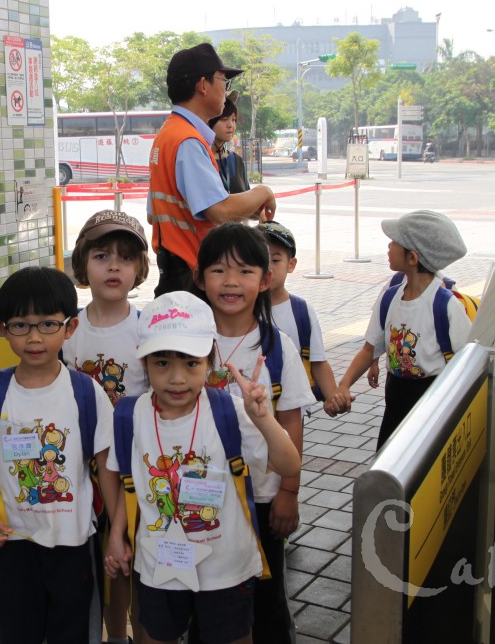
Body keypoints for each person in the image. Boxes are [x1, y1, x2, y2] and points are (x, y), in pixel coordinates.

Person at [103, 291, 301, 644]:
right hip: (158, 562)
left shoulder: (230, 411)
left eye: (191, 363)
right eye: (162, 363)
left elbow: (289, 464)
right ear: (144, 362)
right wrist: (117, 536)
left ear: (210, 360)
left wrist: (264, 418)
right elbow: (130, 484)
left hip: (226, 568)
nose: (177, 378)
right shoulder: (131, 416)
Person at [0, 267, 118, 644]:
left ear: (70, 327)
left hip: (74, 543)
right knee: (19, 632)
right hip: (13, 541)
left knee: (73, 632)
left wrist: (117, 532)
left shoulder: (86, 392)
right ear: (3, 329)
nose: (34, 337)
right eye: (20, 325)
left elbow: (106, 465)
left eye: (47, 324)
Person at [192, 223, 312, 643]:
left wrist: (289, 491)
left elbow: (292, 421)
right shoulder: (186, 345)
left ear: (265, 279)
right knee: (205, 594)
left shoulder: (277, 347)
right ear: (199, 278)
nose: (230, 282)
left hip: (262, 495)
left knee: (266, 599)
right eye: (218, 270)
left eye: (244, 271)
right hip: (201, 496)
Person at [63, 210, 150, 643]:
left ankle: (139, 632)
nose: (114, 267)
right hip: (83, 467)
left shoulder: (147, 329)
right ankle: (114, 635)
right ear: (82, 264)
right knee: (103, 563)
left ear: (139, 269)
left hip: (134, 467)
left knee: (134, 563)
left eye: (125, 257)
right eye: (101, 256)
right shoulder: (67, 329)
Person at [149, 42, 279, 296]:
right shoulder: (187, 141)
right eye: (223, 81)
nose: (225, 90)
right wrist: (263, 192)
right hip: (191, 273)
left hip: (177, 269)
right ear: (203, 85)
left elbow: (158, 213)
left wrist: (248, 208)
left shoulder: (169, 134)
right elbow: (219, 210)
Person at [336, 210, 470, 449]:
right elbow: (369, 349)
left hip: (432, 402)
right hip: (395, 398)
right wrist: (344, 385)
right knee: (388, 460)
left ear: (412, 258)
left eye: (395, 241)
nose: (389, 246)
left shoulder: (446, 305)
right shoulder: (390, 298)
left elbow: (468, 364)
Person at [259, 220, 350, 418]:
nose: (267, 268)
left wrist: (332, 396)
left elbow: (317, 361)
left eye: (275, 260)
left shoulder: (301, 310)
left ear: (291, 264)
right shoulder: (240, 309)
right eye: (259, 259)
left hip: (291, 411)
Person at [208, 91, 249, 195]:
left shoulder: (236, 160)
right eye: (224, 119)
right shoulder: (202, 158)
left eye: (234, 119)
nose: (231, 125)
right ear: (209, 121)